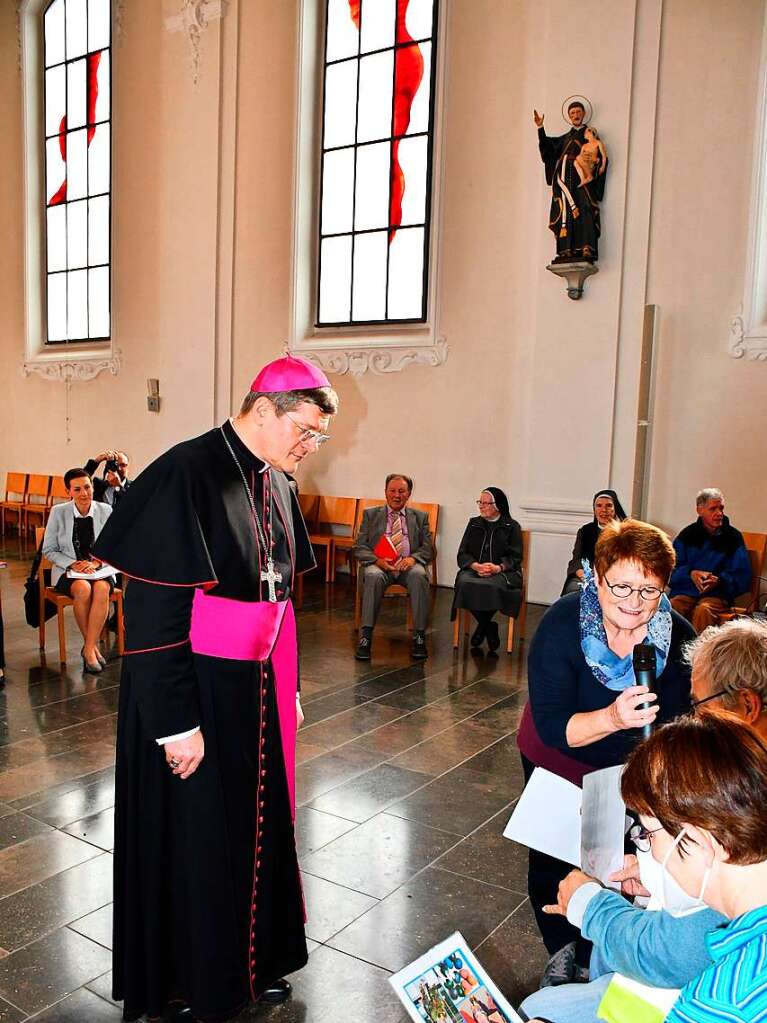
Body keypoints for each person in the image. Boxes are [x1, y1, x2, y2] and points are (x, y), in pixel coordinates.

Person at [93, 355, 338, 1022]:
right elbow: (151, 615)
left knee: (249, 835)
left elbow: (279, 599)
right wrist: (176, 723)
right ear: (266, 409)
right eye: (306, 431)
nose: (310, 447)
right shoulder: (183, 472)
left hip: (252, 690)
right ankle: (178, 981)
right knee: (193, 841)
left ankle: (244, 967)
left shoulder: (277, 481)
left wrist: (282, 684)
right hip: (190, 689)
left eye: (317, 436)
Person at [518, 618, 767, 1023]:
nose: (691, 718)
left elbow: (675, 953)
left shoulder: (720, 1003)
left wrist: (591, 905)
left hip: (666, 983)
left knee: (540, 1009)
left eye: (649, 833)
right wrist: (655, 873)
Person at [516, 519, 694, 986]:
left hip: (631, 772)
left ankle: (601, 950)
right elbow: (554, 726)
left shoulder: (677, 635)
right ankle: (561, 950)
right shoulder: (561, 624)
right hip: (560, 758)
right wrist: (614, 718)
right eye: (621, 586)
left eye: (649, 591)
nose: (634, 604)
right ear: (596, 577)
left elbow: (681, 722)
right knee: (554, 857)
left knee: (620, 862)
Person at [352, 474, 435, 662]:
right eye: (392, 491)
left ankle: (420, 637)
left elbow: (428, 547)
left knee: (419, 575)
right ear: (385, 492)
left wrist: (413, 559)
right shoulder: (370, 515)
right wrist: (377, 560)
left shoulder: (420, 517)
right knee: (372, 576)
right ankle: (365, 638)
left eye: (401, 491)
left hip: (407, 566)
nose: (396, 495)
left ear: (409, 494)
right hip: (380, 566)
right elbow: (359, 546)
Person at [42, 468, 115, 673]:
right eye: (77, 489)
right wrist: (72, 564)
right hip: (70, 571)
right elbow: (49, 549)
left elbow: (113, 546)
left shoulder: (105, 510)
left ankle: (89, 649)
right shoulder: (59, 512)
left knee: (101, 589)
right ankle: (91, 649)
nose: (84, 493)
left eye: (87, 487)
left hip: (98, 569)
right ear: (69, 492)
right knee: (83, 589)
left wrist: (97, 563)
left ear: (92, 487)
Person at [534, 100, 608, 264]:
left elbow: (600, 154)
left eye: (578, 112)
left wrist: (596, 166)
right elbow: (547, 150)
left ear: (583, 114)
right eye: (572, 113)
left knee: (585, 208)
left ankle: (586, 247)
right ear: (569, 116)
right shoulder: (564, 138)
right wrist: (540, 128)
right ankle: (565, 250)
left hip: (582, 179)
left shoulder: (589, 135)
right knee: (565, 210)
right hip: (564, 179)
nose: (576, 115)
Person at [451, 487, 523, 654]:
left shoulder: (511, 526)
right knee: (464, 583)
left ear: (497, 505)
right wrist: (475, 565)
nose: (481, 506)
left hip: (501, 572)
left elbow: (516, 556)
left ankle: (483, 626)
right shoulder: (474, 523)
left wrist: (498, 567)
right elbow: (462, 553)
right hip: (474, 569)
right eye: (480, 502)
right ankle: (488, 626)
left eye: (486, 503)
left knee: (493, 586)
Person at [669, 488, 752, 632]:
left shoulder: (733, 537)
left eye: (721, 508)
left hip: (717, 595)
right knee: (672, 606)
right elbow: (669, 570)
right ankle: (669, 653)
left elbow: (742, 576)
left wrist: (719, 580)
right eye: (713, 509)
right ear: (699, 510)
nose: (719, 513)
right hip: (686, 591)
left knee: (703, 610)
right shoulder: (687, 535)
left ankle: (697, 653)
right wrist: (691, 573)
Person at [562, 490, 627, 595]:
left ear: (615, 509)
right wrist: (587, 577)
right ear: (594, 509)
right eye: (599, 506)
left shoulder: (625, 532)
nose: (603, 510)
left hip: (616, 577)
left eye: (609, 506)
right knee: (573, 590)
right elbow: (576, 560)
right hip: (587, 575)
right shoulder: (585, 531)